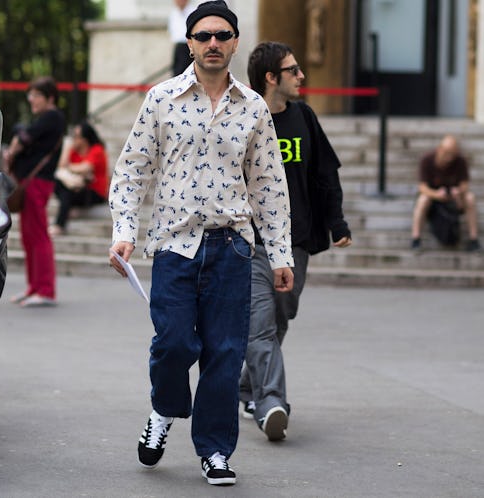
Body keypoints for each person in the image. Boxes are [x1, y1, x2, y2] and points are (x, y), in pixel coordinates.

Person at [108, 1, 294, 486]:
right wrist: (125, 231)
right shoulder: (161, 99)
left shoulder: (252, 107)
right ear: (189, 42)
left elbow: (270, 185)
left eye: (223, 35)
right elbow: (131, 171)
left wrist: (280, 254)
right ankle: (164, 409)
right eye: (204, 35)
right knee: (172, 343)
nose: (213, 43)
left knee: (225, 352)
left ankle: (215, 450)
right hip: (174, 244)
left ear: (235, 43)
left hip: (233, 245)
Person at [239, 41, 352, 441]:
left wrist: (336, 223)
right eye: (293, 70)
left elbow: (325, 173)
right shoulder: (244, 119)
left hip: (297, 239)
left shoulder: (303, 116)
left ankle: (248, 385)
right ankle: (271, 402)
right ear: (271, 78)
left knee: (281, 315)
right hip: (251, 240)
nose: (302, 76)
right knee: (260, 323)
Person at [3, 76, 65, 307]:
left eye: (36, 95)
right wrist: (20, 136)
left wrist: (19, 138)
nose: (31, 99)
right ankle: (34, 287)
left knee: (38, 236)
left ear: (50, 98)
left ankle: (46, 290)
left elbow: (25, 135)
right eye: (31, 94)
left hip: (37, 182)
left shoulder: (53, 117)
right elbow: (22, 132)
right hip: (31, 182)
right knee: (30, 236)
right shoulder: (46, 119)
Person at [410, 135, 481, 251]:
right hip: (434, 198)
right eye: (447, 153)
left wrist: (459, 192)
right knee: (423, 199)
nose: (450, 157)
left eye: (453, 154)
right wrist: (435, 194)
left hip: (454, 198)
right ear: (440, 149)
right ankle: (416, 239)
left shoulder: (460, 160)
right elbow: (422, 187)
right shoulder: (427, 159)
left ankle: (474, 240)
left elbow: (465, 184)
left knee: (470, 198)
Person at [50, 121, 108, 236]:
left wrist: (69, 168)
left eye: (76, 137)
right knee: (58, 185)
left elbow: (85, 168)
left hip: (94, 192)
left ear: (85, 139)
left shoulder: (97, 149)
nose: (74, 139)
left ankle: (60, 224)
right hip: (76, 187)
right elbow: (61, 166)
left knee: (66, 193)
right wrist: (67, 147)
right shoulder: (74, 150)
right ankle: (65, 213)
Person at [168, 0, 197, 76]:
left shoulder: (193, 12)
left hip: (188, 46)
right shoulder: (174, 13)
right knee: (177, 73)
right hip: (178, 47)